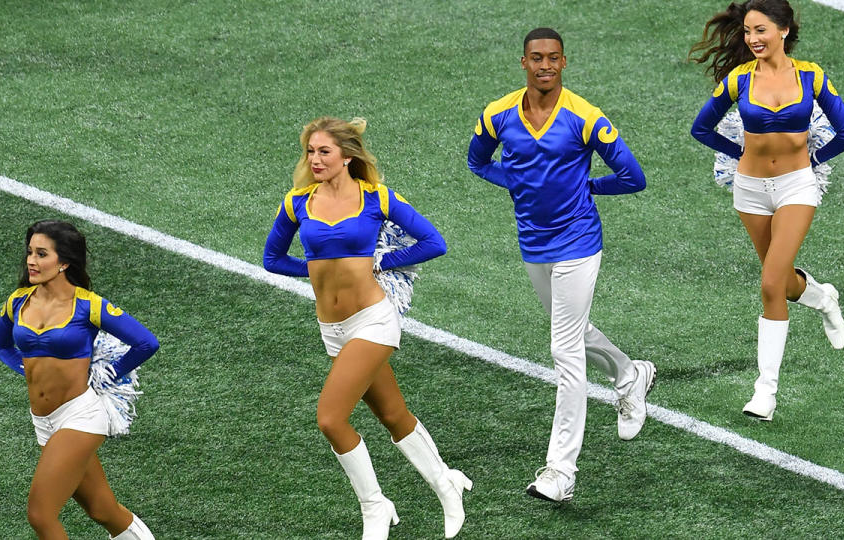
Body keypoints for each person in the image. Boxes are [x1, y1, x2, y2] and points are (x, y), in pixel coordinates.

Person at [467, 27, 656, 503]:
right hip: (534, 244)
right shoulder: (498, 114)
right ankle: (631, 375)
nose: (545, 65)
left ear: (564, 63)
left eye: (553, 58)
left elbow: (633, 177)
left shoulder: (585, 117)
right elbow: (476, 162)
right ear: (523, 62)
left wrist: (588, 189)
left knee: (563, 351)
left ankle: (560, 472)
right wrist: (511, 181)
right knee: (571, 329)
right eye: (537, 58)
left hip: (578, 242)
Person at [263, 116, 470, 539]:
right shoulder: (297, 202)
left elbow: (434, 243)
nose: (315, 159)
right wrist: (317, 269)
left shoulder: (377, 198)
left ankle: (375, 507)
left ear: (346, 156)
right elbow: (272, 259)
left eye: (324, 151)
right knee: (394, 415)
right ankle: (447, 484)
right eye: (310, 151)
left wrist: (379, 263)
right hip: (332, 328)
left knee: (330, 418)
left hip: (373, 319)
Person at [689, 0, 844, 421]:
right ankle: (822, 299)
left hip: (797, 186)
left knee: (769, 282)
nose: (752, 39)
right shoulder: (738, 79)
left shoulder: (811, 75)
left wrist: (813, 163)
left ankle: (765, 392)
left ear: (783, 30)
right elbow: (700, 128)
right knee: (780, 282)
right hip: (749, 189)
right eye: (747, 32)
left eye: (760, 30)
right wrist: (739, 152)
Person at [0, 220, 159, 540]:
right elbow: (0, 345)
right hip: (43, 421)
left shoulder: (88, 305)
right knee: (102, 509)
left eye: (42, 254)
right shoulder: (17, 301)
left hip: (81, 416)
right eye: (30, 252)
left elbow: (146, 343)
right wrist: (25, 369)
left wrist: (111, 373)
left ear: (64, 262)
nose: (31, 261)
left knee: (41, 514)